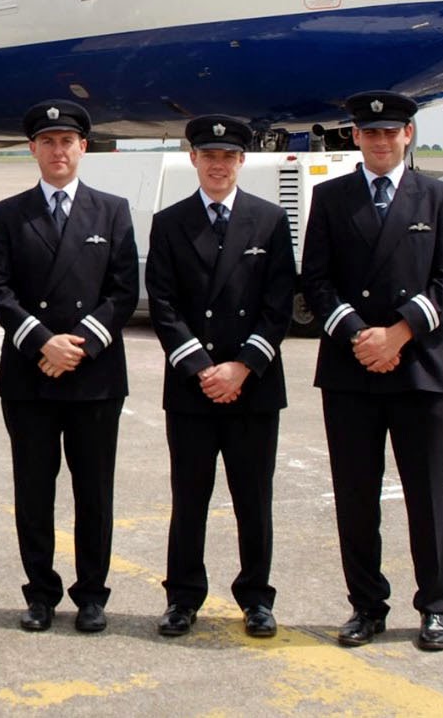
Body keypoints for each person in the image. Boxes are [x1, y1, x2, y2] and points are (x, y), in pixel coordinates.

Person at [301, 90, 443, 652]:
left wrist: (397, 334)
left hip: (419, 368)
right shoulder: (330, 198)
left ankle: (436, 606)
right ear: (355, 136)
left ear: (407, 135)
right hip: (351, 371)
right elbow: (316, 282)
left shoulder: (438, 196)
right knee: (355, 497)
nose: (379, 141)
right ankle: (366, 606)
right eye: (369, 132)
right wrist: (359, 336)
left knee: (428, 496)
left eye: (390, 132)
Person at [0, 100, 138, 634]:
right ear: (32, 149)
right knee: (34, 492)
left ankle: (92, 594)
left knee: (94, 491)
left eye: (66, 141)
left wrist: (80, 345)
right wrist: (43, 343)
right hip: (31, 376)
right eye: (47, 142)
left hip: (95, 376)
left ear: (82, 147)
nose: (57, 151)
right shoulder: (10, 212)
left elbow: (123, 290)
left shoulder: (112, 210)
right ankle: (41, 593)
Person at [145, 115, 296, 639]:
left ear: (241, 161)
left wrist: (242, 367)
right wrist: (202, 369)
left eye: (228, 156)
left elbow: (279, 304)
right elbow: (163, 305)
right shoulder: (170, 222)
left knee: (254, 499)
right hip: (193, 387)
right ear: (193, 159)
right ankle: (182, 598)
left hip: (253, 386)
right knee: (189, 499)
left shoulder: (269, 220)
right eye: (208, 156)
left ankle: (256, 598)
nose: (218, 165)